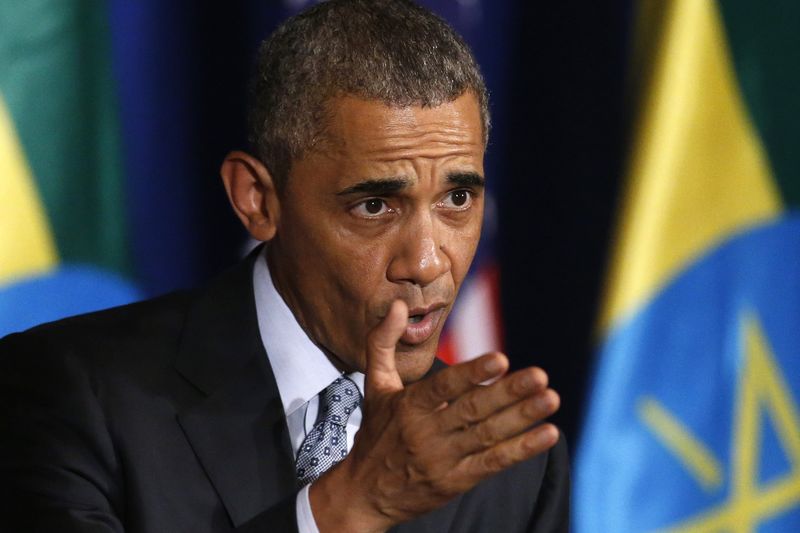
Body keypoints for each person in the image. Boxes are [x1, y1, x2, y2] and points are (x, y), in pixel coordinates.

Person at [0, 1, 569, 531]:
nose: (425, 263)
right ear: (258, 200)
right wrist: (352, 504)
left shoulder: (511, 463)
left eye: (458, 200)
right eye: (374, 206)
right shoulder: (71, 393)